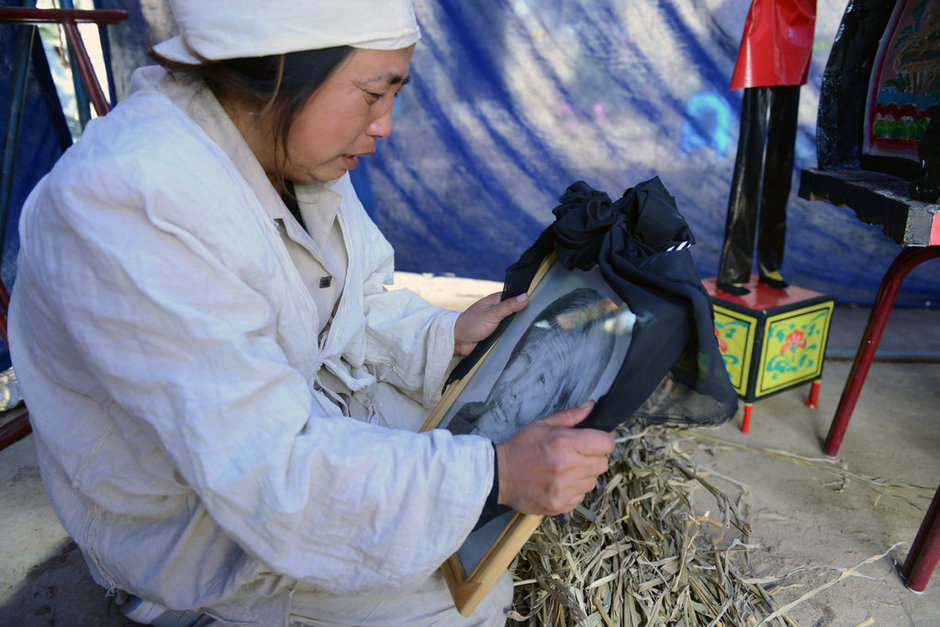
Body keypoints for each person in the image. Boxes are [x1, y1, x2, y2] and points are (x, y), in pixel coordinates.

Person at [7, 1, 615, 625]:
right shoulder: (131, 202)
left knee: (480, 447)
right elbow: (266, 470)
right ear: (276, 72)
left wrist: (445, 334)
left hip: (291, 426)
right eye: (374, 94)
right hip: (196, 527)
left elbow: (353, 300)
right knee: (468, 603)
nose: (384, 125)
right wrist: (497, 476)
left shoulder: (284, 141)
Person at [715, 0, 817, 296]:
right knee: (753, 151)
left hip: (800, 19)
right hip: (769, 20)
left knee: (781, 159)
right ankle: (733, 269)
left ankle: (770, 262)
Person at [448, 288, 627, 443]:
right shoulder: (451, 414)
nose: (516, 386)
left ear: (558, 407)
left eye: (541, 380)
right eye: (526, 358)